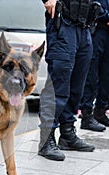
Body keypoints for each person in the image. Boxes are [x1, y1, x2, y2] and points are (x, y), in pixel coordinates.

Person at [38, 0, 96, 161]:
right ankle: (46, 139)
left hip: (84, 27)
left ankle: (67, 134)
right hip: (63, 24)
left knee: (77, 86)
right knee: (58, 87)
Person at [80, 0, 109, 131]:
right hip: (94, 30)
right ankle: (86, 116)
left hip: (107, 33)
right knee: (91, 76)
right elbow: (91, 4)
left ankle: (100, 111)